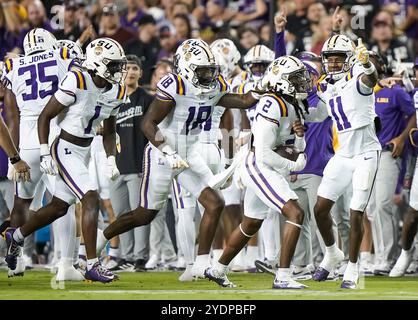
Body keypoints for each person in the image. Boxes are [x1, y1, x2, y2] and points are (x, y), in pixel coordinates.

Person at [98, 38, 266, 278]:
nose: (209, 76)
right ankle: (100, 239)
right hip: (161, 153)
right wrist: (167, 151)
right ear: (187, 68)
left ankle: (199, 264)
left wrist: (261, 89)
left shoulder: (214, 84)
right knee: (145, 214)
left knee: (214, 203)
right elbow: (147, 123)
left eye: (211, 70)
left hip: (189, 153)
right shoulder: (175, 85)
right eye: (202, 71)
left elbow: (242, 101)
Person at [4, 37, 128, 283]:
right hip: (64, 148)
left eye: (118, 65)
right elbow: (45, 117)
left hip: (84, 150)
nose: (118, 70)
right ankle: (91, 263)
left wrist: (111, 158)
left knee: (60, 206)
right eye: (113, 65)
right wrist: (43, 151)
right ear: (97, 63)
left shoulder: (118, 89)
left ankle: (16, 236)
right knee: (90, 197)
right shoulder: (77, 79)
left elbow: (110, 129)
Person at [205, 55, 327, 289]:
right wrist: (294, 165)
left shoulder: (293, 102)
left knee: (251, 223)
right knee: (295, 213)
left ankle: (217, 269)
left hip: (270, 166)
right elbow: (263, 153)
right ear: (281, 81)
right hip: (260, 165)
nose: (303, 82)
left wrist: (319, 93)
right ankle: (282, 276)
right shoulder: (273, 103)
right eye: (296, 78)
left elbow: (322, 114)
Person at [2, 28, 78, 277]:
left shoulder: (13, 64)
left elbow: (9, 98)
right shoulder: (63, 54)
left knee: (21, 202)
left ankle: (17, 262)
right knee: (63, 201)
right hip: (56, 138)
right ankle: (65, 263)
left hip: (27, 144)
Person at [312, 34, 381, 289]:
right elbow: (318, 115)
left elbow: (370, 80)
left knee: (355, 213)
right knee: (319, 209)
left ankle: (353, 268)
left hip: (365, 153)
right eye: (329, 59)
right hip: (343, 154)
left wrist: (368, 65)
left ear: (350, 59)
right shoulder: (325, 86)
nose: (332, 64)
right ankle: (332, 254)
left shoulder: (357, 78)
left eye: (338, 58)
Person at [108, 55, 153, 272]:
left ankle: (140, 258)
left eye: (135, 68)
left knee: (138, 213)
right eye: (126, 68)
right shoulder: (112, 97)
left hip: (139, 164)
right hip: (116, 166)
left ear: (141, 73)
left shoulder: (147, 99)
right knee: (121, 215)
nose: (130, 72)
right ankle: (125, 256)